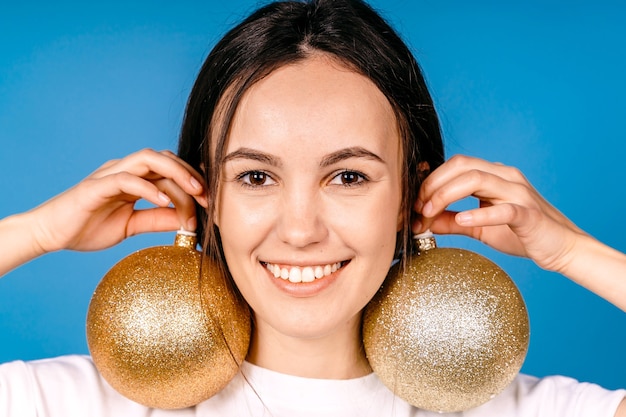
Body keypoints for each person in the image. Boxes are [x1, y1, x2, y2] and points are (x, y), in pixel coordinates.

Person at [1, 0, 624, 415]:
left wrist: (572, 251)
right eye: (255, 177)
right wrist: (37, 231)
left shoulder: (515, 409)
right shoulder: (77, 402)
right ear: (206, 197)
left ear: (413, 197)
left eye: (348, 175)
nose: (300, 229)